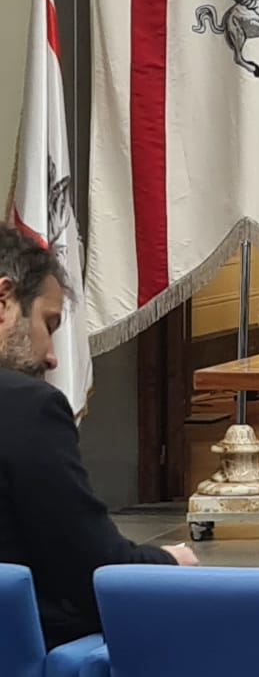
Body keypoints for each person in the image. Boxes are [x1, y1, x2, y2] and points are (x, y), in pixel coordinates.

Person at [0, 227, 198, 646]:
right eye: (49, 323)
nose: (52, 357)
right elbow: (94, 568)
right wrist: (168, 563)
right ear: (4, 301)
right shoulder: (27, 408)